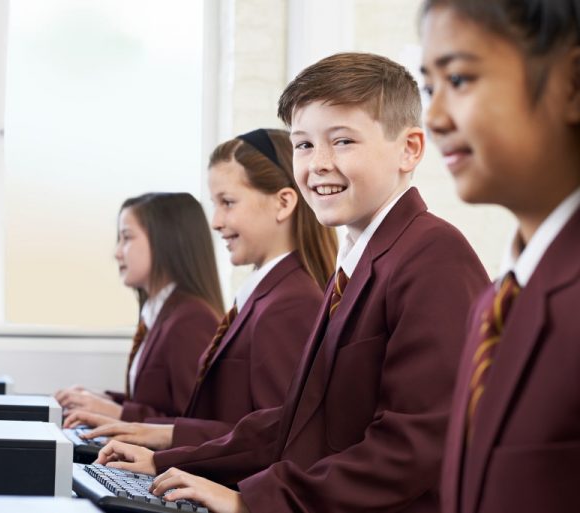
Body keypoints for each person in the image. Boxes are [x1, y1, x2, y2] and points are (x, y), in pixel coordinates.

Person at [95, 52, 490, 513]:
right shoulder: (357, 263)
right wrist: (167, 460)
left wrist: (253, 503)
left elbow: (415, 444)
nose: (318, 163)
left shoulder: (433, 254)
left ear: (410, 149)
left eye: (342, 141)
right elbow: (298, 424)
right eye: (303, 145)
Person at [65, 128, 337, 450]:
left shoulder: (290, 303)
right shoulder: (266, 296)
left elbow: (276, 439)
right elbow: (230, 421)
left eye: (228, 202)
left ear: (283, 202)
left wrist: (155, 444)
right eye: (215, 204)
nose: (215, 221)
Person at [420, 2, 580, 512]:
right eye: (429, 87)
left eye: (460, 78)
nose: (435, 117)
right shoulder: (495, 302)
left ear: (572, 85)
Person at [55, 192, 223, 422]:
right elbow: (155, 403)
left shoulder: (192, 319)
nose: (117, 252)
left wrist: (118, 413)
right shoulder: (159, 312)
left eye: (127, 237)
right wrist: (104, 400)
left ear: (166, 240)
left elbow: (195, 426)